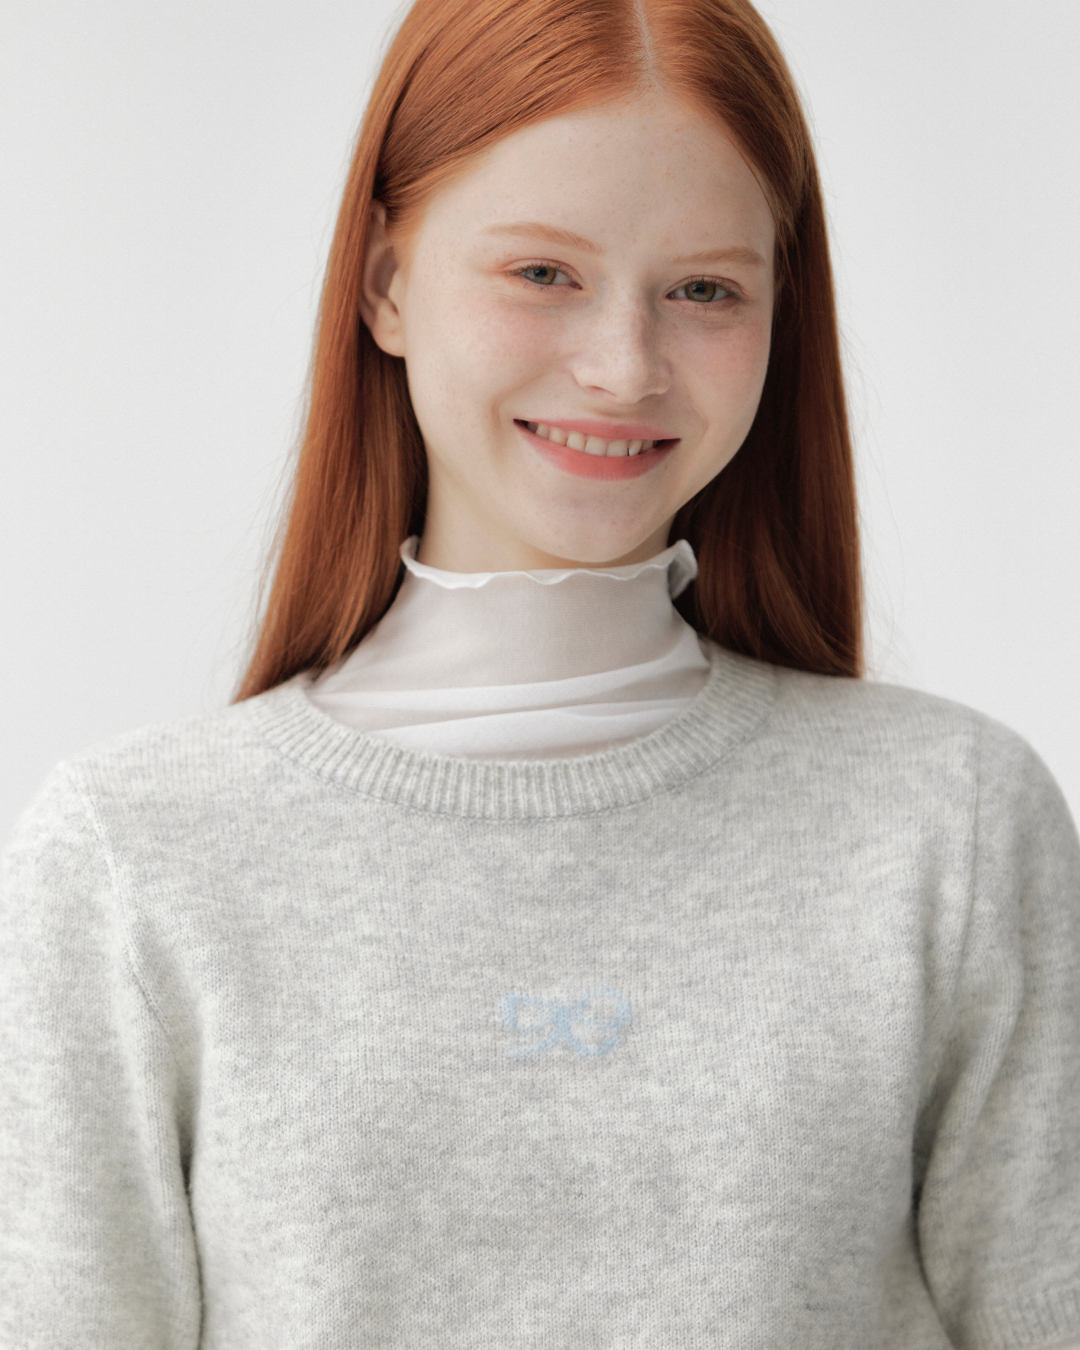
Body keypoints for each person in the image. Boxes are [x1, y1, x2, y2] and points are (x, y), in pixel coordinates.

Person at [2, 0, 1078, 1344]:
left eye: (704, 290)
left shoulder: (952, 827)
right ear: (385, 283)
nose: (624, 367)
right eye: (542, 272)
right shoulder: (130, 859)